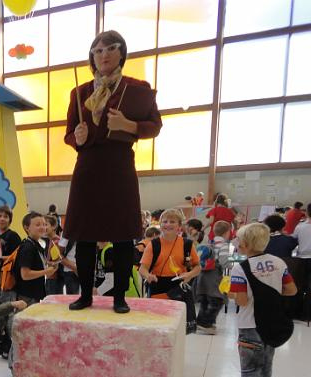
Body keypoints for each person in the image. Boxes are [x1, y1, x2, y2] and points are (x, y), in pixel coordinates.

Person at [63, 31, 162, 314]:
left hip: (120, 167)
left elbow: (155, 126)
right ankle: (85, 295)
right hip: (87, 167)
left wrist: (128, 125)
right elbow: (68, 134)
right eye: (98, 50)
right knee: (84, 235)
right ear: (92, 57)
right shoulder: (80, 92)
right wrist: (77, 138)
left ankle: (120, 297)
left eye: (110, 48)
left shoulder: (137, 88)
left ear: (122, 53)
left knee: (122, 235)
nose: (103, 54)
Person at [229, 223, 297, 377]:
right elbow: (291, 290)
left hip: (250, 324)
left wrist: (230, 293)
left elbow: (242, 301)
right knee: (265, 364)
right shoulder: (278, 263)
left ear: (246, 244)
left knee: (250, 369)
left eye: (239, 240)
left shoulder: (240, 269)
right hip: (272, 322)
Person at [139, 209, 201, 298]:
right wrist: (147, 276)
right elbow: (142, 269)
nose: (168, 224)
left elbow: (198, 267)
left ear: (179, 226)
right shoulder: (152, 245)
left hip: (180, 288)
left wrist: (190, 274)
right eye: (165, 222)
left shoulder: (187, 244)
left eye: (172, 222)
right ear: (160, 225)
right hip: (157, 287)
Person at [195, 221, 232, 334]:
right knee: (218, 300)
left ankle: (201, 321)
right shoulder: (224, 245)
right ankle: (206, 323)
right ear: (227, 233)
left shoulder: (209, 243)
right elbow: (224, 262)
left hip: (202, 275)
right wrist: (232, 265)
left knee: (205, 300)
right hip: (214, 275)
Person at [13, 212, 52, 305]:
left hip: (34, 294)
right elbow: (25, 274)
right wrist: (46, 271)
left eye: (44, 224)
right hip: (26, 296)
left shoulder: (36, 244)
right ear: (27, 228)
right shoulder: (28, 247)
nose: (42, 227)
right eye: (38, 225)